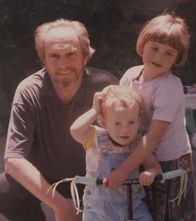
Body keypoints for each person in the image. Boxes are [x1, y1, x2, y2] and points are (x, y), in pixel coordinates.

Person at [0, 19, 117, 221]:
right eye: (54, 56)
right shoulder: (30, 91)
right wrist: (60, 206)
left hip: (93, 179)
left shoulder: (105, 86)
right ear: (44, 61)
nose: (63, 64)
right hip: (47, 180)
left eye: (71, 54)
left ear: (85, 57)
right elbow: (13, 160)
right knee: (5, 189)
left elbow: (133, 136)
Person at [104, 13, 196, 220]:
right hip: (138, 154)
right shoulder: (130, 75)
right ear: (142, 45)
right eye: (154, 48)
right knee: (140, 210)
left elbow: (154, 137)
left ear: (176, 59)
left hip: (169, 160)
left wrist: (123, 170)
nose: (158, 57)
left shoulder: (170, 87)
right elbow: (115, 111)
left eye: (168, 53)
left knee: (168, 213)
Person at [69, 85, 161, 221]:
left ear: (139, 121)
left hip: (133, 204)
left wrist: (150, 173)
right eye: (117, 123)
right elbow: (75, 130)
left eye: (131, 122)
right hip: (98, 207)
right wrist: (95, 110)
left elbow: (154, 166)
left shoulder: (139, 144)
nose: (125, 130)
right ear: (103, 122)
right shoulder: (95, 137)